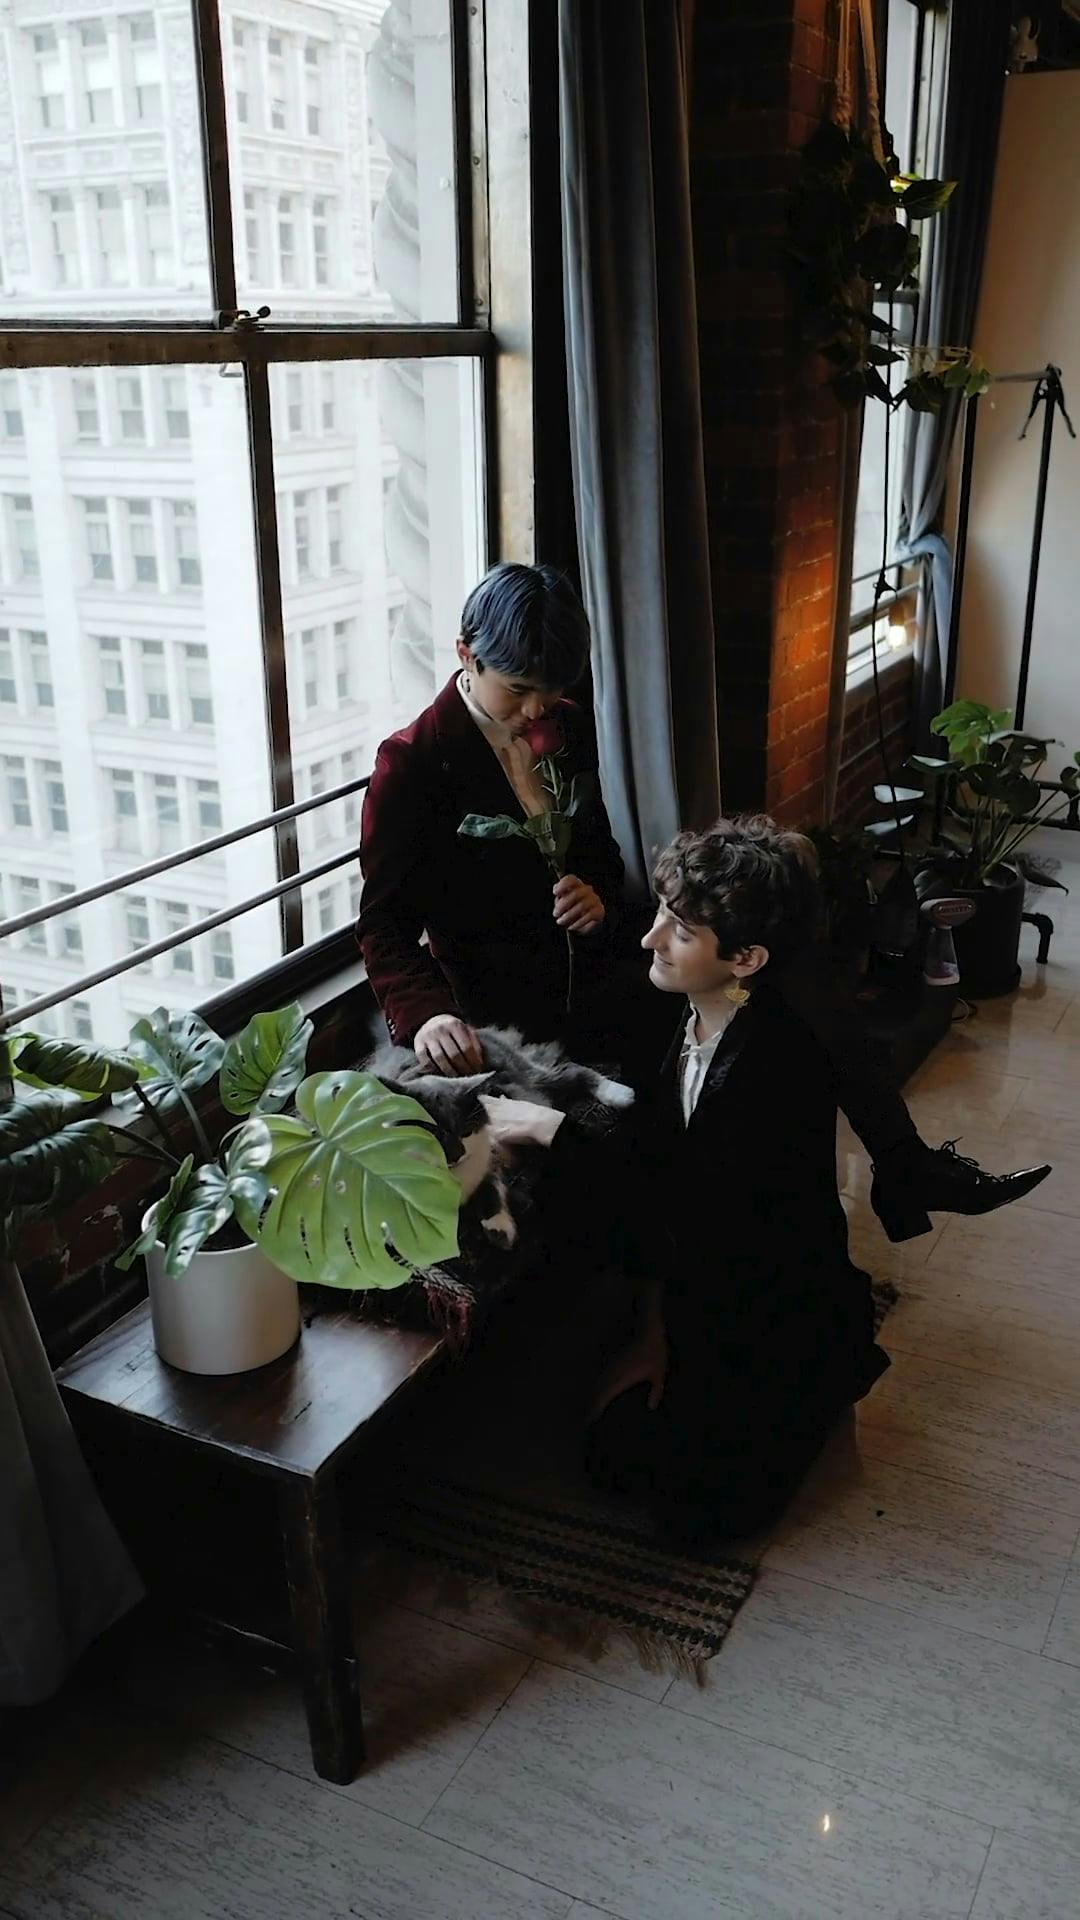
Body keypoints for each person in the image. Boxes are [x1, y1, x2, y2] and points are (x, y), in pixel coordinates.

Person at [357, 562, 1049, 1238]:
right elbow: (384, 928)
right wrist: (428, 1015)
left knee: (785, 970)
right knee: (757, 1000)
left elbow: (601, 856)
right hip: (509, 1005)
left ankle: (898, 1162)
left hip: (601, 958)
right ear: (466, 654)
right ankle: (853, 1191)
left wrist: (596, 896)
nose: (538, 710)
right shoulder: (412, 764)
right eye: (519, 690)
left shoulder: (564, 728)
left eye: (552, 689)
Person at [586, 818, 891, 1546]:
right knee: (609, 1461)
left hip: (766, 1307)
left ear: (746, 959)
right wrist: (652, 1333)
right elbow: (662, 1204)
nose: (650, 939)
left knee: (699, 1521)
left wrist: (546, 1134)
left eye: (680, 930)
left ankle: (822, 1383)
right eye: (661, 914)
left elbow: (704, 1217)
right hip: (698, 1287)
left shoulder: (780, 1062)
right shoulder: (675, 1015)